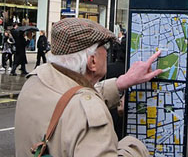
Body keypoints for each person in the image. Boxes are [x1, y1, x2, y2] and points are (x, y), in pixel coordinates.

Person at [15, 18, 162, 156]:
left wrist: (120, 83)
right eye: (104, 46)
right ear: (92, 61)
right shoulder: (88, 113)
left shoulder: (35, 80)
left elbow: (68, 98)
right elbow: (82, 107)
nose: (107, 51)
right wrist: (134, 146)